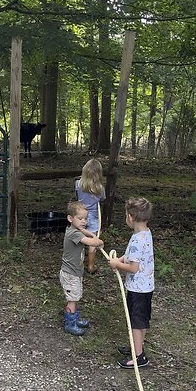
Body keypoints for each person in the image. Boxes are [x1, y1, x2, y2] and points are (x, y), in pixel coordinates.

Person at [107, 197, 154, 368]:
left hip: (137, 289)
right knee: (141, 320)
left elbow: (133, 267)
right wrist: (120, 260)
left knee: (136, 322)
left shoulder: (136, 239)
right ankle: (137, 347)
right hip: (146, 287)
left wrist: (116, 265)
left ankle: (139, 357)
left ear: (131, 217)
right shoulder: (145, 233)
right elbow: (133, 256)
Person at [59, 201, 103, 335]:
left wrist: (89, 233)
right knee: (72, 299)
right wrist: (98, 241)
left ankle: (74, 319)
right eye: (80, 218)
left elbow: (84, 231)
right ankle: (70, 323)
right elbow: (92, 242)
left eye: (85, 218)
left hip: (75, 273)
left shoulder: (75, 229)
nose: (84, 221)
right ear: (70, 218)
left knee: (75, 296)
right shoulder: (74, 234)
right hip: (70, 274)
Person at [74, 158, 106, 273]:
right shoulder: (100, 188)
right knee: (93, 241)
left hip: (79, 215)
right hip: (93, 217)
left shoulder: (78, 184)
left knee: (79, 238)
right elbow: (102, 198)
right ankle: (91, 266)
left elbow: (76, 195)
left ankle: (78, 265)